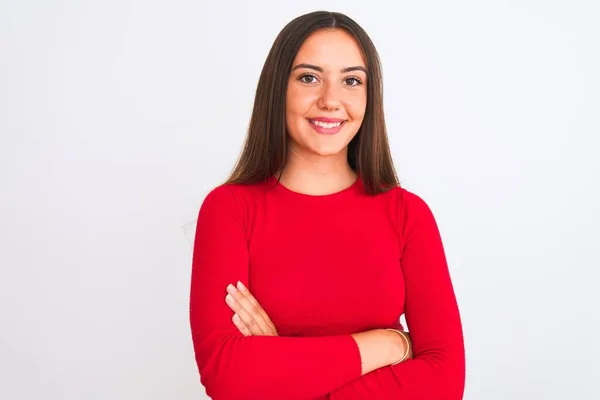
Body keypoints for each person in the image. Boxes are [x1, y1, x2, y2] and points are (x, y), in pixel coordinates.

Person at [189, 10, 465, 400]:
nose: (331, 100)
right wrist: (389, 345)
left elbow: (444, 381)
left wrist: (281, 369)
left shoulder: (407, 214)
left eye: (351, 81)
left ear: (370, 97)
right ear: (278, 88)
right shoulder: (229, 210)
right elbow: (227, 378)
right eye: (309, 77)